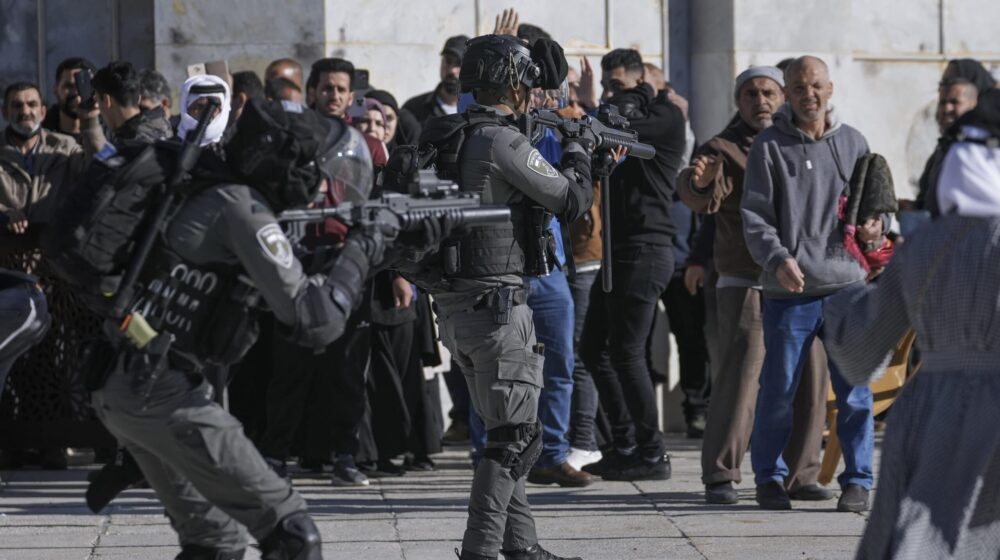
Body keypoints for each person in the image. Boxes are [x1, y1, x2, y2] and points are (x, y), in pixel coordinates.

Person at [89, 99, 393, 559]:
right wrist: (363, 248)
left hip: (124, 380)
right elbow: (316, 323)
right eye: (314, 172)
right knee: (292, 535)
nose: (318, 187)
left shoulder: (208, 189)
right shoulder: (240, 207)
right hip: (163, 390)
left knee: (215, 541)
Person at [400, 33, 595, 560]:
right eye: (528, 82)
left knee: (508, 432)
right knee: (517, 438)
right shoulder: (500, 140)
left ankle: (521, 545)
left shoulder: (447, 134)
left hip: (460, 307)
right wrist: (582, 150)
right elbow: (569, 197)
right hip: (498, 309)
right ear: (512, 81)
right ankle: (481, 549)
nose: (533, 93)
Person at [823, 90, 1000, 559]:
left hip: (933, 408)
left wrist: (844, 299)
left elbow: (860, 355)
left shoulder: (922, 247)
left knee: (925, 536)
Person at [678, 66, 830, 505]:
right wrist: (698, 182)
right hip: (748, 279)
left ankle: (801, 474)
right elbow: (699, 191)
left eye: (767, 92)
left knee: (809, 376)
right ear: (738, 102)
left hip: (806, 281)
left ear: (782, 97)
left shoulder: (805, 141)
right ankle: (722, 474)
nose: (759, 101)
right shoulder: (723, 147)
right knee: (742, 377)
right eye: (749, 94)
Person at [740, 56, 876, 512]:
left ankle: (857, 480)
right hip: (790, 292)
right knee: (777, 392)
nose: (808, 95)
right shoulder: (768, 145)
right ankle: (769, 479)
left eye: (815, 85)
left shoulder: (855, 142)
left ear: (830, 88)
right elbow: (755, 216)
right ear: (788, 93)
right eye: (798, 87)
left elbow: (872, 207)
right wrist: (777, 258)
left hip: (848, 288)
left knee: (855, 392)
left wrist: (876, 227)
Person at [578, 48, 686, 481]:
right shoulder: (623, 113)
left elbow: (609, 124)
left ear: (647, 84)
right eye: (607, 86)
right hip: (616, 251)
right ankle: (624, 443)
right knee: (593, 348)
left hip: (647, 249)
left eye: (621, 86)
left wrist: (593, 104)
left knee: (626, 351)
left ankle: (652, 452)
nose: (613, 95)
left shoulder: (665, 117)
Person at [0, 82, 89, 231]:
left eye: (32, 104)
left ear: (42, 112)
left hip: (53, 248)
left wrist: (91, 122)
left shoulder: (65, 146)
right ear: (4, 113)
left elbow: (97, 169)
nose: (25, 111)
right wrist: (3, 213)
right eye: (17, 105)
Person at [915, 78, 979, 213]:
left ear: (973, 106)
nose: (946, 109)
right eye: (943, 103)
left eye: (955, 102)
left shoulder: (980, 151)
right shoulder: (941, 149)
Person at [89, 61, 173, 147]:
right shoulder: (161, 125)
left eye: (98, 102)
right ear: (139, 98)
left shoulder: (131, 144)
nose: (97, 107)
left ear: (107, 101)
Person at [402, 35, 468, 125]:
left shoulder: (479, 112)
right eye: (448, 61)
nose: (452, 70)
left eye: (459, 64)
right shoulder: (414, 109)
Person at [40, 57, 97, 141]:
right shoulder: (40, 133)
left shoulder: (110, 132)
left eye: (83, 87)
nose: (76, 93)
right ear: (56, 90)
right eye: (69, 86)